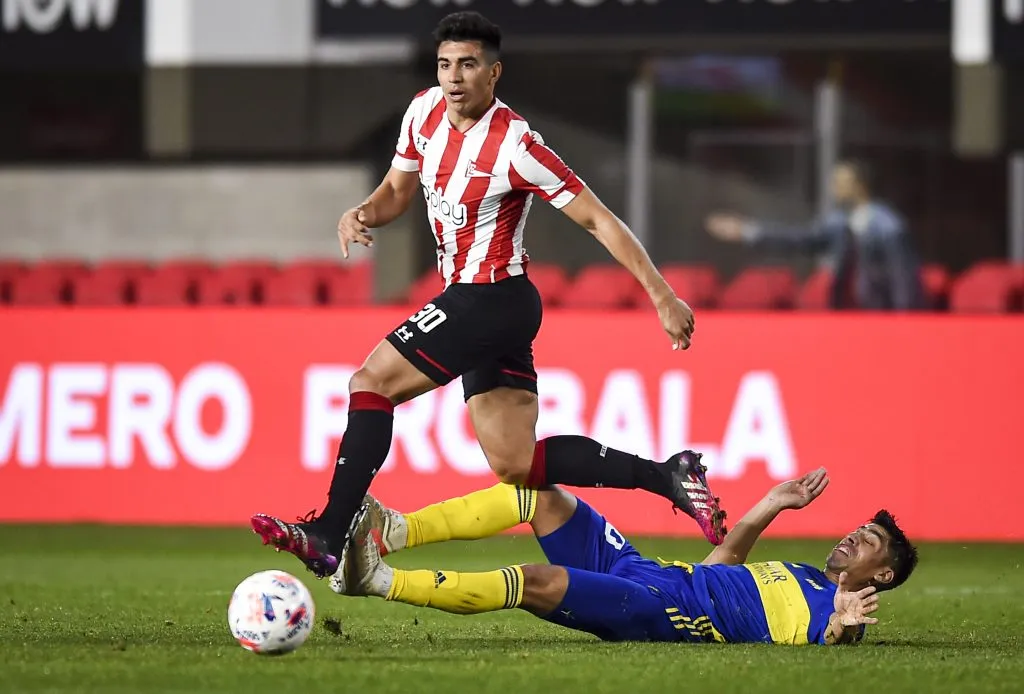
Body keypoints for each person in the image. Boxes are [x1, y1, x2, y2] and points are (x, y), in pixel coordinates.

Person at [250, 11, 707, 579]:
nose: (454, 77)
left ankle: (328, 531)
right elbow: (396, 191)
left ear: (494, 74)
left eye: (468, 64)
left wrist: (662, 296)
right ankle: (667, 475)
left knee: (370, 382)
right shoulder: (422, 113)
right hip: (488, 305)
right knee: (516, 464)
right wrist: (362, 212)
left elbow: (598, 220)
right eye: (445, 64)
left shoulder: (517, 145)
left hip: (491, 298)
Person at [335, 468, 918, 646]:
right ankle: (394, 530)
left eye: (867, 542)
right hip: (646, 572)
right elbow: (720, 570)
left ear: (883, 575)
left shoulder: (837, 606)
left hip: (660, 611)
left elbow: (836, 637)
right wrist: (769, 504)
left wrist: (843, 624)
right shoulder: (800, 575)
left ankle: (379, 580)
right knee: (539, 495)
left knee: (535, 580)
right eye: (857, 530)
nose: (851, 539)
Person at [706, 159, 924, 310]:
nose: (834, 188)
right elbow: (800, 239)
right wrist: (749, 231)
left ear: (860, 185)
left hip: (879, 311)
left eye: (840, 182)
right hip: (845, 310)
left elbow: (902, 279)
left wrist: (904, 320)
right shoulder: (839, 223)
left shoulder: (889, 227)